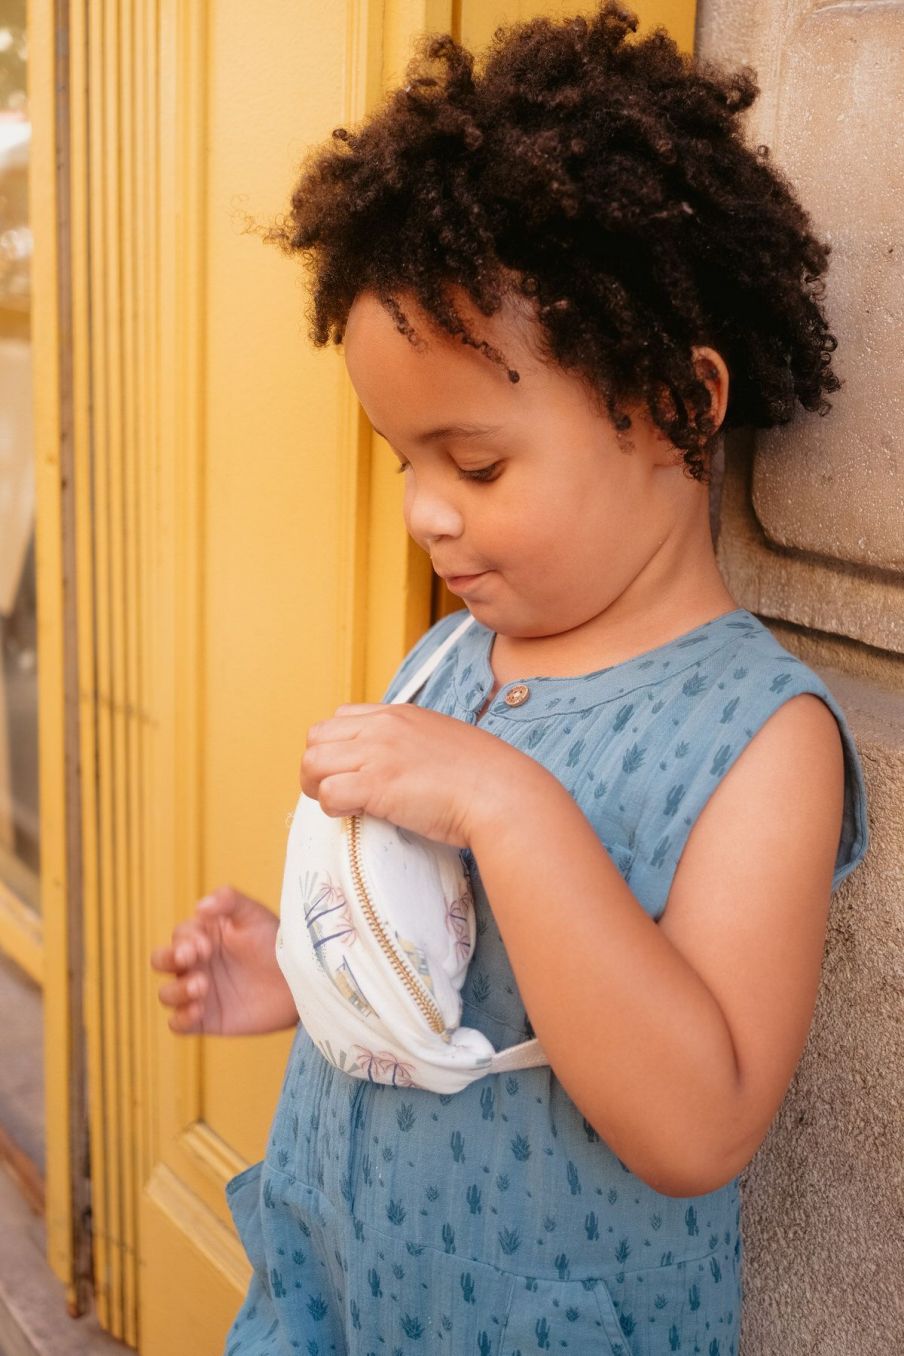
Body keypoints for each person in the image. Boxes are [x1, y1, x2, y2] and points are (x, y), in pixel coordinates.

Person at [150, 6, 869, 1352]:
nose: (425, 514)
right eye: (403, 461)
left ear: (677, 405)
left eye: (475, 464)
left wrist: (509, 805)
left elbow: (701, 1123)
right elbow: (460, 970)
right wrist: (316, 974)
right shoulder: (453, 655)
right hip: (333, 1285)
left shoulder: (759, 738)